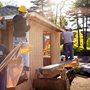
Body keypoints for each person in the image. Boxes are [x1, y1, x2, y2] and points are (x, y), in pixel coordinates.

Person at [13, 6, 31, 71]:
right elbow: (25, 29)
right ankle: (26, 66)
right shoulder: (23, 19)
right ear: (23, 12)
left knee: (16, 52)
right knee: (25, 52)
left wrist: (25, 19)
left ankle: (16, 65)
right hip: (22, 38)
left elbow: (19, 24)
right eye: (25, 12)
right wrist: (28, 23)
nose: (25, 13)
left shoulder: (15, 18)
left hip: (15, 38)